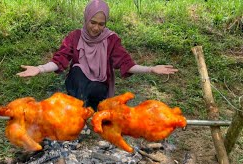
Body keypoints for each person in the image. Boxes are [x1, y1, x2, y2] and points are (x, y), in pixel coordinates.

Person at [17, 0, 178, 111]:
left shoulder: (111, 39)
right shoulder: (75, 36)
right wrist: (39, 69)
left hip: (99, 84)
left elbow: (126, 63)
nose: (96, 28)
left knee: (94, 92)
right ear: (86, 19)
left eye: (101, 24)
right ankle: (78, 111)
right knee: (78, 71)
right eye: (92, 22)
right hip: (78, 83)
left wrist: (151, 69)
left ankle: (89, 110)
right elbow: (60, 59)